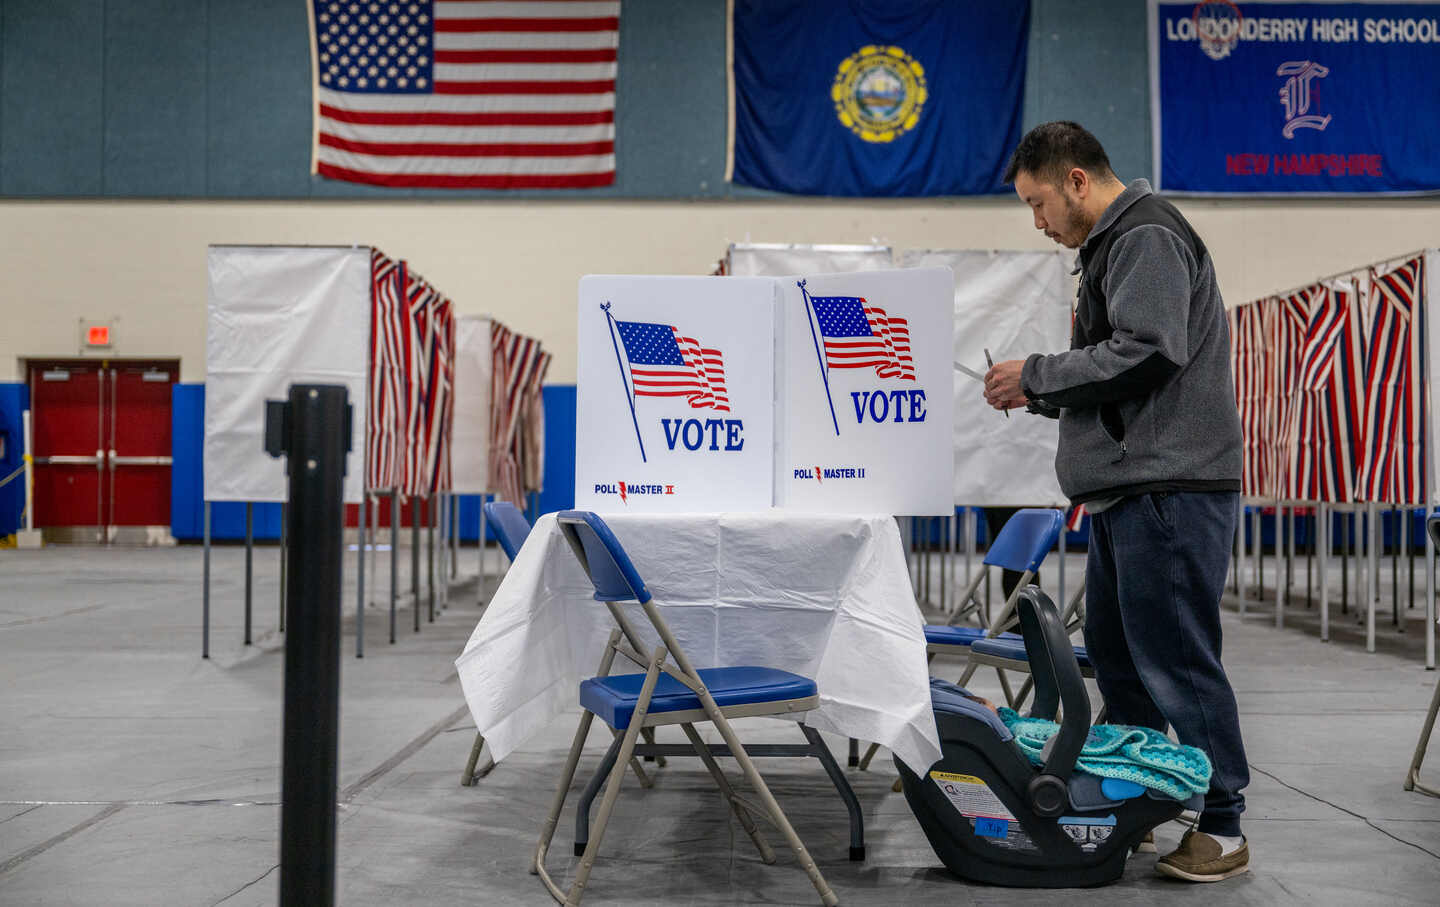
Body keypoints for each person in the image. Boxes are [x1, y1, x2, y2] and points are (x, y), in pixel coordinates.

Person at [982, 122, 1250, 883]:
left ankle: (1224, 820)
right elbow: (1123, 376)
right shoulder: (1112, 247)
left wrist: (1037, 373)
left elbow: (1148, 349)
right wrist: (1041, 393)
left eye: (1038, 204)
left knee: (1175, 662)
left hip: (1166, 489)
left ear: (1075, 180)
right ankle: (1136, 802)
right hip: (1126, 493)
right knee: (1126, 667)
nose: (1038, 224)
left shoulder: (1144, 236)